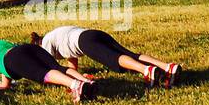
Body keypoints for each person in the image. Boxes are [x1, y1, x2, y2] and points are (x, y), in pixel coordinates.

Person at [32, 26, 181, 88]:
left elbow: (52, 69)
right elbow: (72, 63)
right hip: (93, 33)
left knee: (115, 59)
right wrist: (78, 75)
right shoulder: (57, 34)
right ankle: (168, 67)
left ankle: (146, 70)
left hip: (85, 41)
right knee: (131, 54)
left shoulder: (45, 43)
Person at [0, 34, 95, 103]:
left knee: (43, 74)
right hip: (25, 48)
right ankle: (86, 82)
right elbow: (5, 85)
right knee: (57, 67)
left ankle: (75, 85)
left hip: (13, 58)